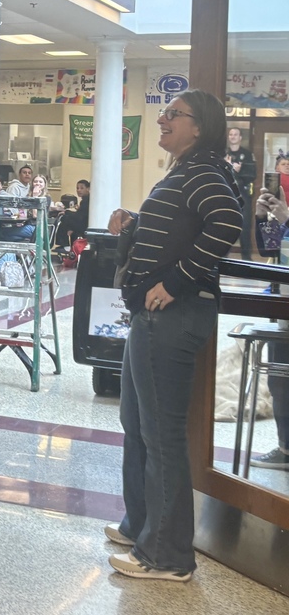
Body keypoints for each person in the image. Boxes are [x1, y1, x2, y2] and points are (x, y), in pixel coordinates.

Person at [105, 90, 242, 582]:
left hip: (174, 315)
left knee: (160, 436)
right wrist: (136, 223)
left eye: (173, 114)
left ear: (199, 127)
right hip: (152, 317)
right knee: (136, 421)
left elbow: (227, 221)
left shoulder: (204, 170)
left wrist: (175, 281)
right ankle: (142, 525)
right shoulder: (184, 171)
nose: (162, 120)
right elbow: (181, 230)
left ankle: (166, 555)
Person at [249, 186, 289, 470]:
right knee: (280, 381)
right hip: (283, 308)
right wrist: (263, 219)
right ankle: (285, 448)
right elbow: (271, 249)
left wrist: (287, 220)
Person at [225, 127, 256, 261]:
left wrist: (238, 171)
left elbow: (252, 175)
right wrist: (228, 167)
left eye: (235, 134)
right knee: (224, 225)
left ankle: (246, 258)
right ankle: (222, 257)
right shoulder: (222, 153)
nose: (232, 137)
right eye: (231, 134)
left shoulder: (247, 155)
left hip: (243, 194)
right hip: (225, 194)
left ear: (240, 137)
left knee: (245, 227)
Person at [56, 180, 90, 250]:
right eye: (77, 188)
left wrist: (67, 212)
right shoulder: (85, 200)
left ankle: (64, 244)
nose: (79, 190)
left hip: (84, 225)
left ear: (88, 189)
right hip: (83, 223)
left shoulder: (86, 200)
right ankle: (69, 232)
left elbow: (80, 217)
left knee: (64, 218)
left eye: (81, 188)